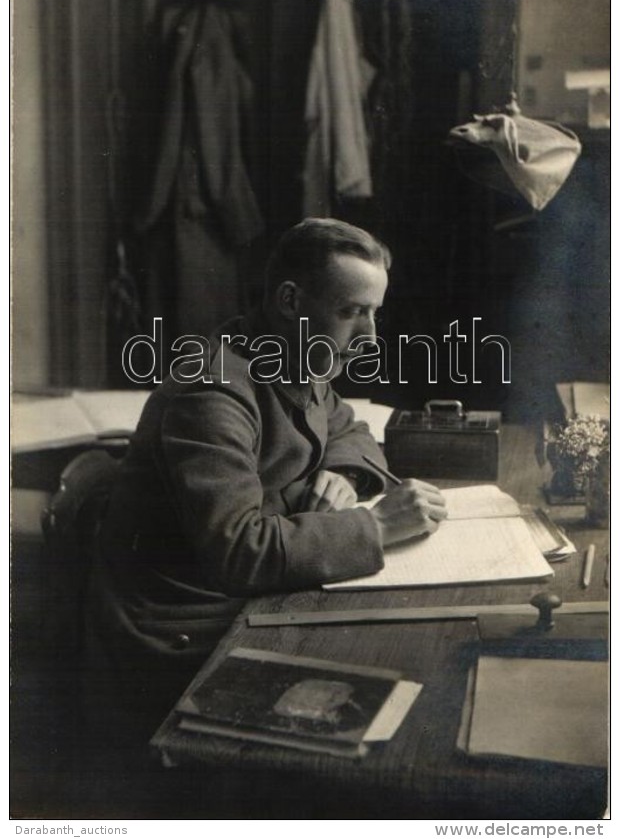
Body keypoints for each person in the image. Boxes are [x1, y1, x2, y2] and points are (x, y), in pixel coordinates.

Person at [91, 218, 447, 709]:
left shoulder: (298, 352)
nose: (368, 335)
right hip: (184, 616)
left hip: (249, 587)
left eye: (373, 314)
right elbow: (238, 551)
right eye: (351, 311)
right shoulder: (212, 389)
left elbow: (348, 427)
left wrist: (341, 474)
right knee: (390, 670)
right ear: (289, 302)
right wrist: (378, 525)